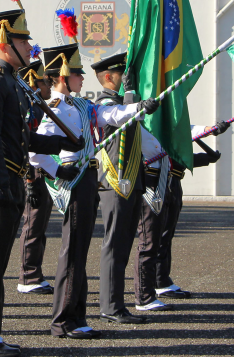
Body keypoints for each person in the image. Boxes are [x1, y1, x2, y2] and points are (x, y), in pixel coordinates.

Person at [29, 44, 159, 340]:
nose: (82, 78)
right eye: (77, 73)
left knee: (80, 251)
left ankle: (77, 315)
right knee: (72, 252)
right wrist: (58, 170)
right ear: (63, 75)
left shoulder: (80, 106)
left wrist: (139, 107)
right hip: (75, 181)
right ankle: (63, 320)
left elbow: (109, 115)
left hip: (88, 179)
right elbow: (34, 151)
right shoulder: (57, 109)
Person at [0, 10, 68, 356]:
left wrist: (61, 144)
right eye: (23, 40)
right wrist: (0, 184)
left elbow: (20, 138)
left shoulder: (12, 81)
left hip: (10, 173)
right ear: (4, 43)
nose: (29, 45)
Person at [91, 52, 149, 325]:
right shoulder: (104, 103)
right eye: (122, 75)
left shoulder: (125, 102)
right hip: (116, 179)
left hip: (132, 178)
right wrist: (133, 95)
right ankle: (110, 305)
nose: (127, 79)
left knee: (125, 243)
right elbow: (122, 117)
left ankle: (117, 303)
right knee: (114, 244)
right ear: (108, 77)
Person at [154, 135, 225, 300]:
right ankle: (158, 282)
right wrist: (195, 136)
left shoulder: (176, 137)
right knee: (158, 237)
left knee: (167, 236)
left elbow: (199, 157)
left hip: (175, 184)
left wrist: (199, 142)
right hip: (160, 182)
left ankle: (162, 279)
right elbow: (170, 157)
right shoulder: (157, 132)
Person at [16, 59, 55, 296]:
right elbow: (28, 145)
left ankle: (35, 272)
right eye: (45, 81)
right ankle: (28, 276)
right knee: (33, 224)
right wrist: (30, 179)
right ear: (34, 82)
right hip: (34, 173)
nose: (49, 86)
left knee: (40, 226)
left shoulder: (40, 105)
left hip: (43, 172)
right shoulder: (31, 106)